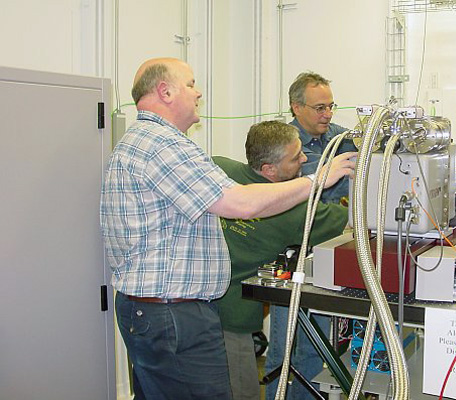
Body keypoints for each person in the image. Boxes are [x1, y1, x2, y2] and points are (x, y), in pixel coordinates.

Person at [99, 57, 355, 400]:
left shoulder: (148, 142)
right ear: (165, 91)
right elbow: (239, 203)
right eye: (190, 84)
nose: (198, 91)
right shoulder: (161, 145)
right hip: (173, 315)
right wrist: (318, 179)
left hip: (159, 311)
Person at [213, 120, 350, 400]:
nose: (304, 159)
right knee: (243, 393)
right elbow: (353, 222)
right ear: (269, 170)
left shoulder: (218, 168)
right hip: (232, 321)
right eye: (296, 157)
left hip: (192, 310)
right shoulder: (296, 212)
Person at [288, 71, 357, 205]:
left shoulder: (334, 133)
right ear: (297, 108)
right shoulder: (288, 144)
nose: (328, 114)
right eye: (320, 108)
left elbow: (365, 145)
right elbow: (334, 184)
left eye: (330, 107)